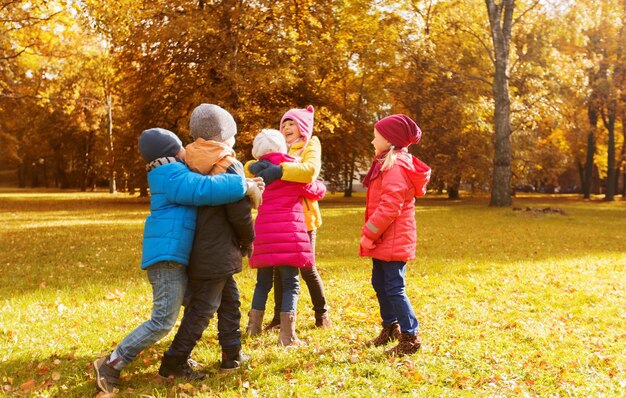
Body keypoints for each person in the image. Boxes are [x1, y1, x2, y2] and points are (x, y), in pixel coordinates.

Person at [93, 127, 261, 393]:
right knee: (162, 320)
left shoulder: (170, 172)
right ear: (171, 152)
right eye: (182, 146)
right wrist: (246, 184)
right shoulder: (170, 175)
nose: (187, 150)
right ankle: (111, 363)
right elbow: (205, 188)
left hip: (176, 256)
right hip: (167, 259)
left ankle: (182, 360)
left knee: (204, 303)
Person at [158, 104, 258, 378]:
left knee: (229, 299)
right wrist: (248, 239)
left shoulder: (184, 161)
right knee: (203, 308)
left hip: (191, 245)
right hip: (218, 247)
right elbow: (238, 213)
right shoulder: (228, 163)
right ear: (224, 134)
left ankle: (232, 354)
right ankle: (173, 362)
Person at [249, 105, 331, 330]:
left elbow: (309, 171)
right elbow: (250, 167)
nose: (286, 127)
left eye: (291, 123)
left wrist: (281, 170)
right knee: (278, 269)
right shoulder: (280, 151)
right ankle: (278, 318)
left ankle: (321, 313)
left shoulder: (310, 145)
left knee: (307, 268)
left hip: (303, 219)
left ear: (303, 127)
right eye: (283, 124)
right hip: (282, 219)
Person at [359, 114, 431, 356]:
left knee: (394, 287)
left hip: (393, 236)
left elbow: (390, 207)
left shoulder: (395, 167)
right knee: (380, 283)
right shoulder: (385, 163)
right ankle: (391, 327)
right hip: (385, 237)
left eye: (376, 136)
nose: (372, 141)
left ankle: (411, 336)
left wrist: (369, 233)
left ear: (389, 140)